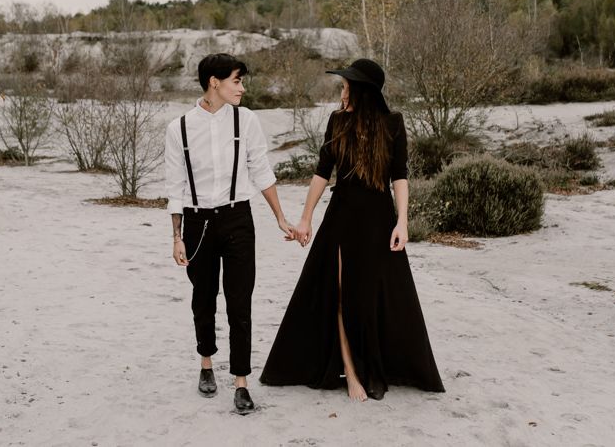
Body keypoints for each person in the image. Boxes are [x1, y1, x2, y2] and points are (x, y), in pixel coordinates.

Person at [260, 58, 445, 401]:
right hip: (342, 216)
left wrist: (402, 222)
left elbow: (399, 176)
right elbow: (322, 171)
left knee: (371, 295)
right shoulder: (337, 122)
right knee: (341, 293)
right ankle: (351, 371)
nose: (342, 92)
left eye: (346, 87)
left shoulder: (392, 123)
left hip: (378, 218)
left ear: (362, 91)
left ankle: (372, 365)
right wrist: (305, 218)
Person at [165, 53, 295, 414]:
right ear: (214, 83)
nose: (242, 87)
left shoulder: (247, 120)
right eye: (237, 80)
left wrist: (281, 218)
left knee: (240, 303)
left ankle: (241, 381)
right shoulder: (179, 128)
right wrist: (176, 237)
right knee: (203, 299)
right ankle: (206, 365)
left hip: (238, 219)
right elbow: (175, 187)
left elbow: (262, 172)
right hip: (196, 223)